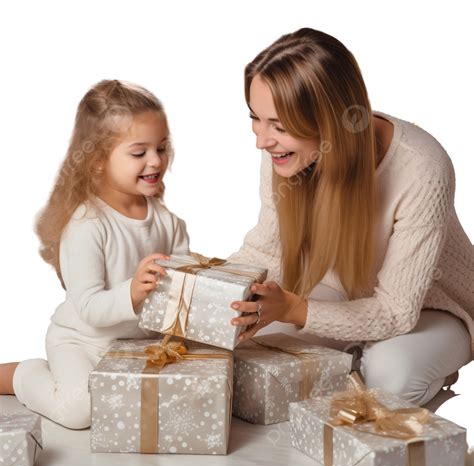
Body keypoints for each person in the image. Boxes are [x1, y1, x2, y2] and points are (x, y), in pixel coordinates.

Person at [227, 28, 473, 406]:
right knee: (247, 345)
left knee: (389, 377)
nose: (261, 139)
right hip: (343, 295)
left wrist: (295, 309)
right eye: (256, 118)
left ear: (327, 121)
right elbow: (266, 254)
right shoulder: (287, 152)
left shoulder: (423, 166)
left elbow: (396, 311)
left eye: (277, 125)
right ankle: (351, 361)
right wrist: (205, 290)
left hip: (429, 308)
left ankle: (410, 369)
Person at [0, 80, 190, 428]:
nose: (156, 160)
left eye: (162, 148)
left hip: (134, 347)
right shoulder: (87, 224)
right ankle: (19, 375)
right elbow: (88, 307)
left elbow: (182, 287)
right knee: (80, 411)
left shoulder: (169, 222)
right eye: (139, 152)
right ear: (98, 160)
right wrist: (132, 292)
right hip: (83, 341)